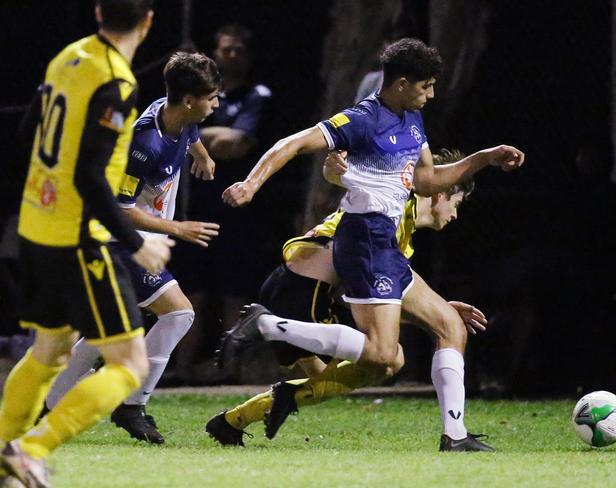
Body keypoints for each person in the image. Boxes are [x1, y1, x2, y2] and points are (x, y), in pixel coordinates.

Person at [220, 38, 524, 452]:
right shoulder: (362, 119)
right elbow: (290, 144)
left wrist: (484, 157)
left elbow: (427, 181)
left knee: (449, 327)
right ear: (401, 83)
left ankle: (455, 436)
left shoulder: (413, 122)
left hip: (385, 247)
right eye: (426, 86)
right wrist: (251, 183)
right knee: (382, 356)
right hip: (364, 239)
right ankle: (267, 325)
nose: (431, 94)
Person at [0, 1, 173, 486]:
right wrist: (134, 242)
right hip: (78, 239)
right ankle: (32, 448)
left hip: (36, 226)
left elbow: (26, 132)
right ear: (148, 20)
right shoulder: (116, 83)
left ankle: (3, 454)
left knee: (48, 349)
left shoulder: (67, 57)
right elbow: (89, 176)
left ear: (98, 13)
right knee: (129, 364)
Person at [207, 150, 488, 447]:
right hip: (305, 290)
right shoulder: (395, 202)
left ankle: (232, 421)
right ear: (442, 192)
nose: (455, 215)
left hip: (295, 289)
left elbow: (371, 299)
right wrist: (338, 164)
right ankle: (266, 326)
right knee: (383, 359)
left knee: (346, 375)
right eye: (458, 204)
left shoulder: (399, 237)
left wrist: (427, 311)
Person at [43, 52, 222, 445]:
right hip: (123, 240)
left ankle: (52, 402)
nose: (217, 104)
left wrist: (204, 158)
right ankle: (131, 404)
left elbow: (191, 139)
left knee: (107, 332)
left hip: (143, 240)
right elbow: (122, 210)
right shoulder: (145, 144)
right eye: (212, 97)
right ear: (190, 100)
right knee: (179, 313)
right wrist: (177, 227)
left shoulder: (177, 115)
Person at [170, 24, 273, 383]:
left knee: (233, 292)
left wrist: (192, 135)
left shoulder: (256, 94)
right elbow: (170, 126)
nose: (232, 56)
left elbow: (237, 142)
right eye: (226, 49)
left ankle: (230, 371)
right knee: (189, 290)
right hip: (193, 208)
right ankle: (181, 370)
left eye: (239, 49)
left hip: (237, 211)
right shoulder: (192, 94)